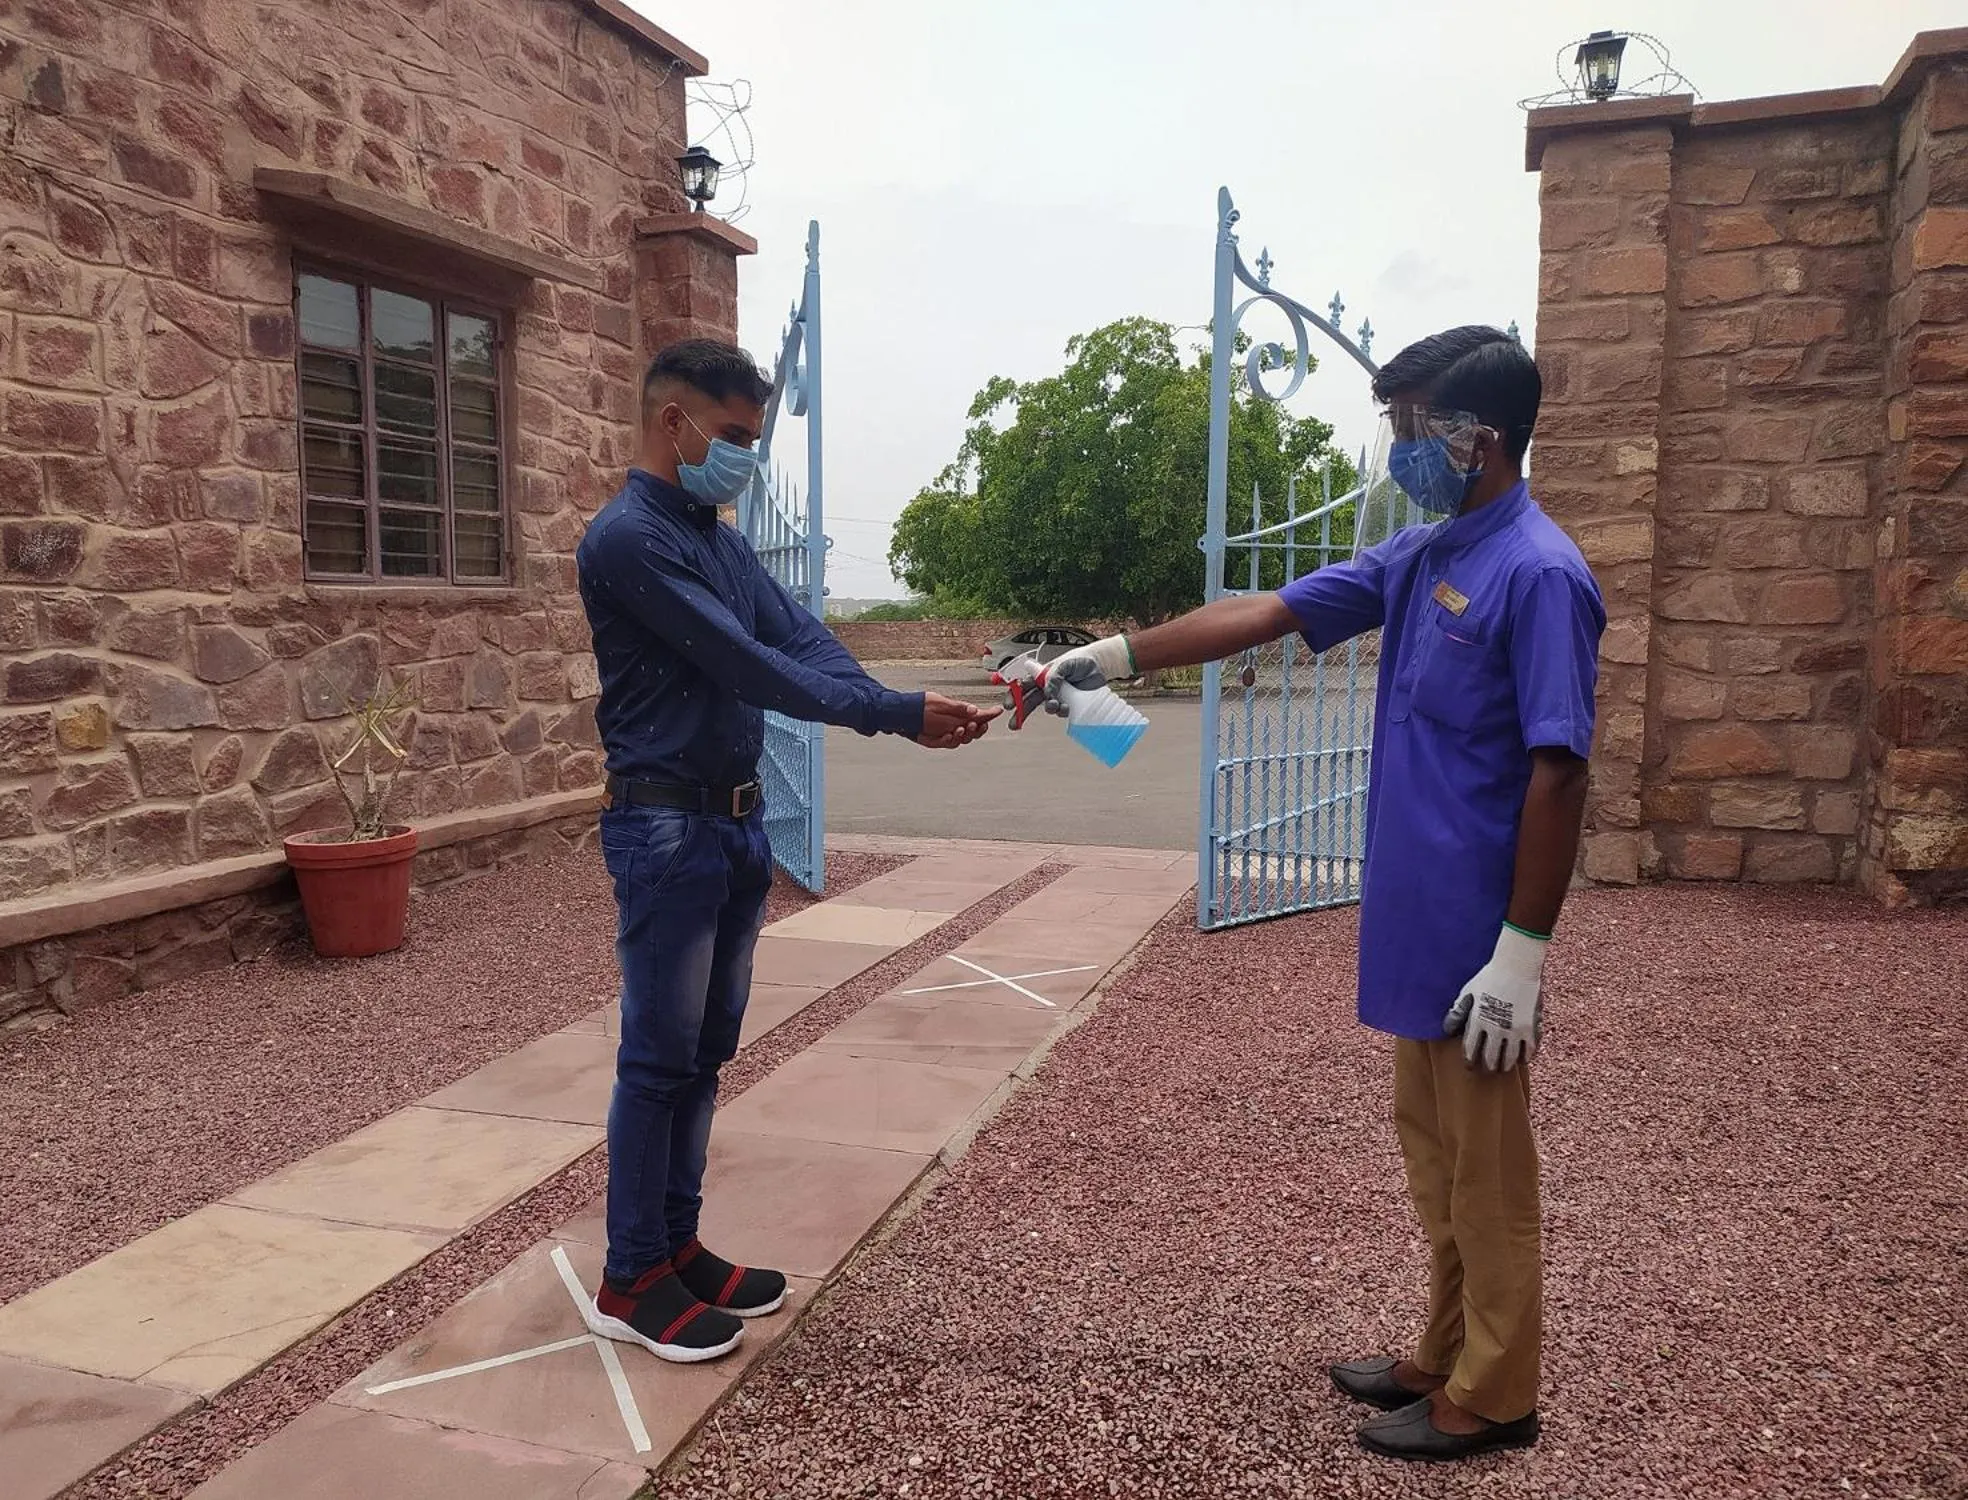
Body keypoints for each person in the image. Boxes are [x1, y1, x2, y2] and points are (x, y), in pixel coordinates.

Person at [1040, 327, 1603, 1460]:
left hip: (1476, 936)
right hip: (1411, 918)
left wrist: (1522, 953)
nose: (1395, 449)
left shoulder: (1538, 573)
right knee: (1434, 1157)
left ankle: (1496, 1394)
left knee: (1487, 1172)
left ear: (1474, 440)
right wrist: (1115, 657)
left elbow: (1559, 768)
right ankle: (1442, 1349)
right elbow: (1269, 614)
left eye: (1409, 429)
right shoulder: (1428, 553)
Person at [575, 338, 999, 1363]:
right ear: (669, 421)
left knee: (707, 1051)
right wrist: (892, 713)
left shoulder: (710, 536)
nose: (743, 460)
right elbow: (746, 662)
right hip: (666, 827)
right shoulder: (628, 540)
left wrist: (885, 696)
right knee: (657, 1057)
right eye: (730, 437)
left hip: (728, 822)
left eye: (754, 442)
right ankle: (631, 1275)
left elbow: (794, 632)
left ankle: (676, 1245)